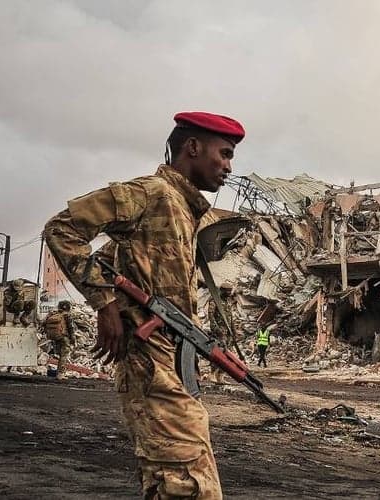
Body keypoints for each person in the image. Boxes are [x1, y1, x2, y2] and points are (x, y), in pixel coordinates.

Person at [44, 111, 245, 499]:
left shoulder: (184, 210)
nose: (229, 167)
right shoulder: (150, 193)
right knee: (187, 482)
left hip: (168, 358)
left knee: (178, 476)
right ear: (193, 147)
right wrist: (104, 303)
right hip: (149, 360)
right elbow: (62, 228)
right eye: (225, 153)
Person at [43, 300, 75, 379]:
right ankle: (60, 374)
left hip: (55, 337)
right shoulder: (67, 315)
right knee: (64, 355)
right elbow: (71, 327)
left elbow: (44, 323)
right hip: (64, 337)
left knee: (60, 355)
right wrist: (73, 338)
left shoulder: (53, 314)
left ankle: (57, 372)